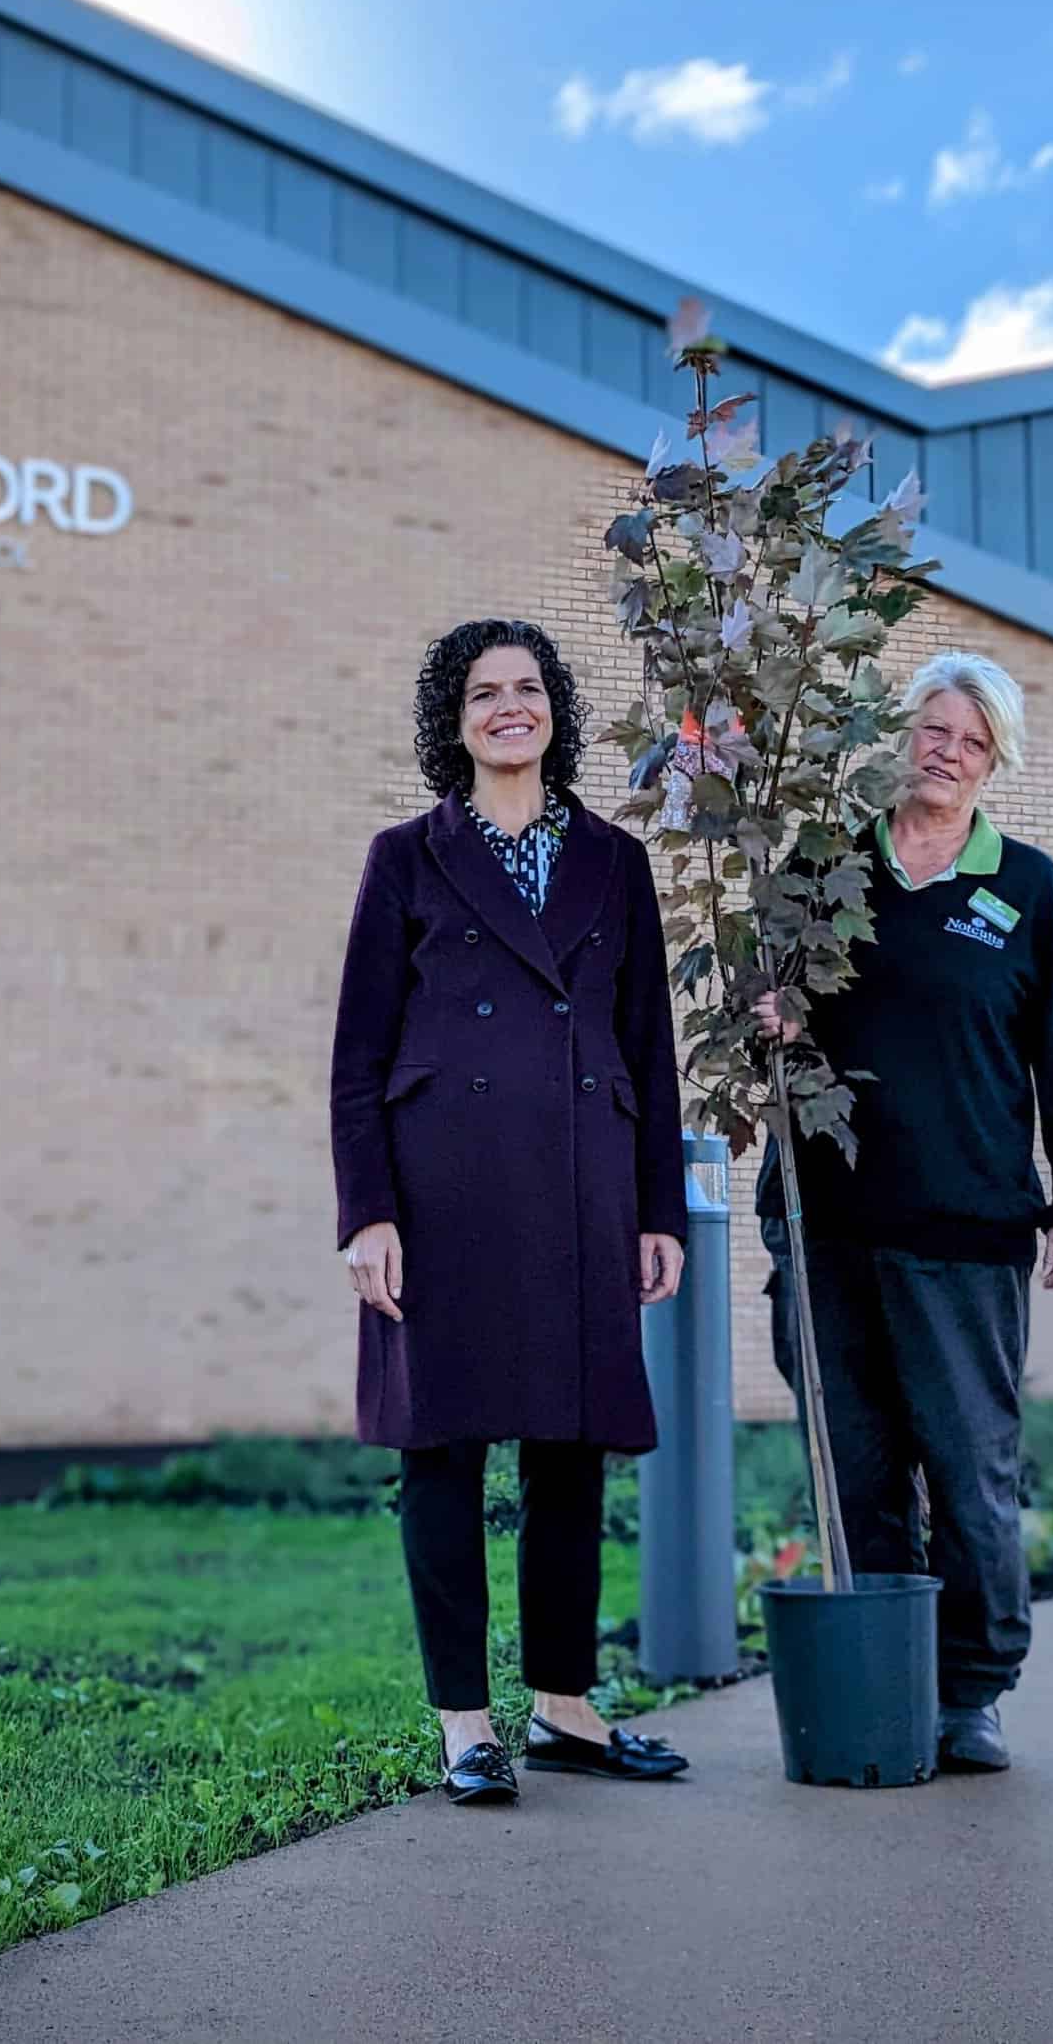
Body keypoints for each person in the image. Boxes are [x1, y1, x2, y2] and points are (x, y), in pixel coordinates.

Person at [331, 618, 692, 1804]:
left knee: (571, 1449)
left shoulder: (614, 859)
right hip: (442, 1189)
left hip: (586, 1181)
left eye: (526, 686)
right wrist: (367, 1212)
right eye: (483, 692)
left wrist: (660, 1209)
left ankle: (566, 1707)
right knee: (442, 1451)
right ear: (456, 719)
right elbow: (357, 1055)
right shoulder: (406, 857)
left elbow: (648, 1042)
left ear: (554, 708)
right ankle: (465, 1724)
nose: (508, 706)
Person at [757, 651, 1053, 1775]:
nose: (946, 751)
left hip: (965, 1225)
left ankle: (971, 1687)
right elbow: (772, 1011)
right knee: (858, 1468)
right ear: (900, 733)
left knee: (970, 1472)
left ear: (994, 760)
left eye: (971, 739)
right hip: (828, 1221)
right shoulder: (825, 867)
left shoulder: (1026, 888)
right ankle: (888, 1679)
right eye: (932, 728)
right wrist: (768, 1013)